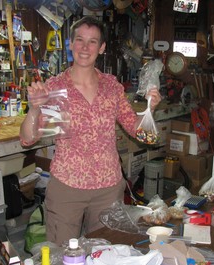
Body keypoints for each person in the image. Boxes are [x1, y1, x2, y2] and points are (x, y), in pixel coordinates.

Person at [20, 16, 162, 246]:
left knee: (103, 253)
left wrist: (149, 109)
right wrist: (34, 109)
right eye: (80, 40)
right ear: (71, 43)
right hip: (67, 187)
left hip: (107, 188)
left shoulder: (112, 87)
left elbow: (135, 129)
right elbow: (27, 139)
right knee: (62, 256)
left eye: (93, 41)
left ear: (102, 47)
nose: (85, 48)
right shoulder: (54, 88)